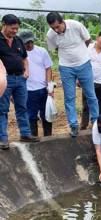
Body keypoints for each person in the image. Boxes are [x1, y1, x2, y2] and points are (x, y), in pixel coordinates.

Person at [46, 12, 99, 137]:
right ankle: (73, 125)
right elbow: (55, 48)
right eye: (53, 28)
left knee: (91, 95)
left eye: (58, 27)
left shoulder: (76, 25)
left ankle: (96, 121)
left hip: (84, 64)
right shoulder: (51, 34)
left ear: (62, 21)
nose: (56, 30)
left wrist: (79, 53)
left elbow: (87, 40)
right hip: (65, 68)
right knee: (69, 97)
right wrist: (68, 56)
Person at [0, 14, 40, 149]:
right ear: (4, 25)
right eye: (12, 28)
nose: (15, 31)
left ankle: (25, 133)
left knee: (22, 107)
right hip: (4, 80)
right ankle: (3, 139)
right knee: (2, 109)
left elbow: (24, 58)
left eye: (17, 28)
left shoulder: (18, 40)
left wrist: (26, 71)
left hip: (20, 79)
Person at [18, 30, 54, 137]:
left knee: (46, 114)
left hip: (43, 88)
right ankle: (33, 138)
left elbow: (48, 68)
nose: (28, 44)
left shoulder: (42, 51)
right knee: (31, 116)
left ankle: (48, 137)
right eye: (26, 43)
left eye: (30, 42)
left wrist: (49, 86)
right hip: (28, 90)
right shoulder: (19, 54)